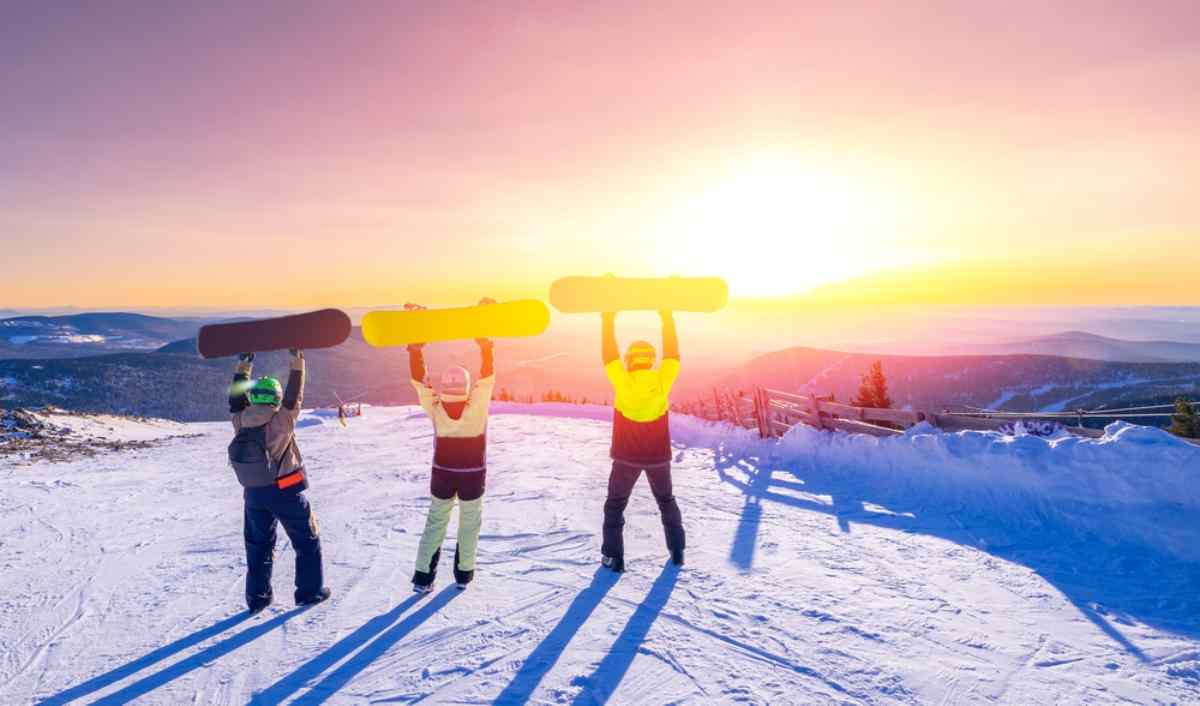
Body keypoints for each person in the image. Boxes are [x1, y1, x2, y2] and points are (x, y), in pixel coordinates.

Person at [228, 349, 330, 613]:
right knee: (307, 540)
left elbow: (235, 398)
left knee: (258, 546)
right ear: (276, 398)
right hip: (285, 491)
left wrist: (244, 364)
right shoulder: (282, 420)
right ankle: (310, 593)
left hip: (253, 494)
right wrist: (297, 361)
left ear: (252, 397)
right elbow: (295, 394)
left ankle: (258, 598)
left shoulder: (240, 420)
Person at [408, 298, 497, 593]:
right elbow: (488, 377)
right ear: (466, 386)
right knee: (469, 523)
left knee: (436, 522)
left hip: (443, 474)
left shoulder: (436, 407)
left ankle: (423, 579)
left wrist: (415, 348)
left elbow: (419, 382)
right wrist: (485, 343)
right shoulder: (477, 405)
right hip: (473, 475)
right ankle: (463, 575)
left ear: (445, 385)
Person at [598, 310, 686, 572]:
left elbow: (608, 355)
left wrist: (607, 319)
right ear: (650, 359)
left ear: (630, 360)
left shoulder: (623, 382)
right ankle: (677, 551)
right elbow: (672, 354)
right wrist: (667, 317)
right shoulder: (662, 381)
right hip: (659, 458)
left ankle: (613, 557)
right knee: (666, 500)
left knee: (615, 505)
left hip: (626, 459)